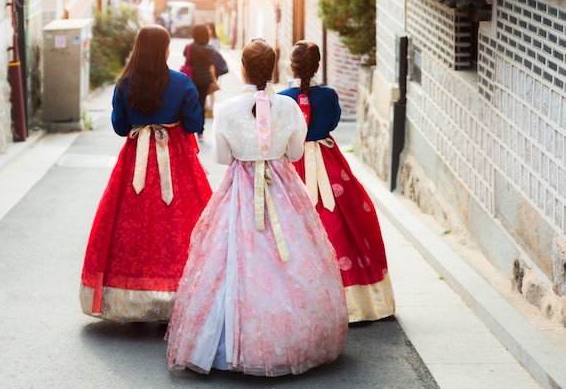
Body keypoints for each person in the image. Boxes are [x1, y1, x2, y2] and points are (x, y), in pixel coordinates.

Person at [166, 39, 348, 376]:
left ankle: (229, 341)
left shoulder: (228, 109)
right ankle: (292, 338)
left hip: (240, 188)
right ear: (274, 69)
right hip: (282, 187)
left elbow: (221, 158)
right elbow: (295, 154)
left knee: (230, 259)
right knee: (291, 254)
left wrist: (246, 149)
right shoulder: (288, 108)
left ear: (243, 69)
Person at [79, 25, 212, 323]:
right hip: (174, 159)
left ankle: (130, 296)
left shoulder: (125, 83)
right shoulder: (182, 82)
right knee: (179, 224)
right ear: (165, 50)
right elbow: (193, 124)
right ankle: (181, 293)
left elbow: (119, 127)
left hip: (135, 161)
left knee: (131, 225)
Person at [278, 40, 395, 322]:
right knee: (342, 222)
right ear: (317, 66)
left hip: (294, 163)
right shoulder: (329, 95)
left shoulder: (282, 99)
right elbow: (332, 123)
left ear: (290, 66)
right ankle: (355, 297)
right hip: (328, 164)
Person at [183, 24, 216, 142]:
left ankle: (188, 128)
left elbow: (185, 55)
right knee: (201, 104)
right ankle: (200, 131)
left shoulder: (189, 47)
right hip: (205, 79)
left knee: (189, 103)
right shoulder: (210, 49)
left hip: (191, 78)